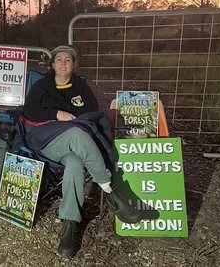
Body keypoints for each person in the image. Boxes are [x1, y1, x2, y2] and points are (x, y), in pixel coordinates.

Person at [22, 45, 142, 259]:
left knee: (76, 164)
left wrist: (76, 117)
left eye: (68, 60)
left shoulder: (81, 87)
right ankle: (109, 189)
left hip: (75, 145)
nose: (63, 63)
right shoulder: (41, 86)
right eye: (59, 59)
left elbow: (93, 113)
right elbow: (29, 111)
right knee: (78, 134)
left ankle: (69, 226)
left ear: (74, 64)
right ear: (52, 64)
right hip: (45, 140)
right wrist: (57, 113)